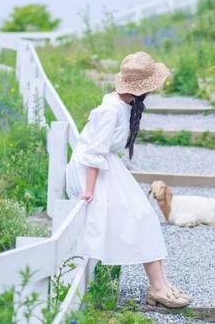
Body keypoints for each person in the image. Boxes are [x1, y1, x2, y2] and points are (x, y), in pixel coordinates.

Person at [65, 51, 191, 308]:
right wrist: (89, 191)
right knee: (138, 216)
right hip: (92, 168)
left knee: (144, 216)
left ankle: (161, 285)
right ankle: (157, 287)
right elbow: (93, 153)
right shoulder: (110, 111)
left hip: (106, 165)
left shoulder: (125, 104)